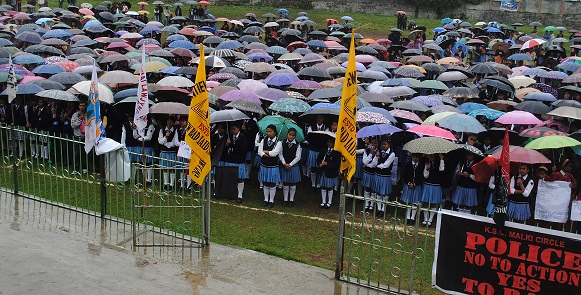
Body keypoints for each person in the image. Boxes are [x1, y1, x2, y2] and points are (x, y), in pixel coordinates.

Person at [221, 123, 248, 203]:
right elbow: (224, 149)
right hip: (230, 160)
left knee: (240, 179)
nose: (233, 131)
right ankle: (231, 194)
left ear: (238, 129)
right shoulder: (228, 137)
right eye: (231, 129)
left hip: (239, 161)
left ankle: (240, 195)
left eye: (234, 129)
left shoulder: (243, 138)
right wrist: (227, 144)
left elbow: (243, 150)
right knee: (230, 179)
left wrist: (232, 149)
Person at [257, 125, 282, 208]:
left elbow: (274, 153)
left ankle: (271, 200)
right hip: (264, 164)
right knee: (265, 182)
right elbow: (259, 152)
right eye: (267, 131)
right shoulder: (264, 140)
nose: (268, 133)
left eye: (270, 131)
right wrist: (267, 154)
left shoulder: (278, 142)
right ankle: (266, 199)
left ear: (274, 132)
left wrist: (266, 152)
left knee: (272, 183)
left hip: (273, 165)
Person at [373, 138, 395, 217]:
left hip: (385, 176)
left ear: (389, 145)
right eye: (382, 144)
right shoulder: (379, 152)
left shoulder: (392, 154)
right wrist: (376, 156)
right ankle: (379, 208)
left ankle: (383, 209)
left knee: (385, 193)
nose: (383, 146)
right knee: (378, 192)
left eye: (385, 144)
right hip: (378, 175)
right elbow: (373, 163)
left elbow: (386, 165)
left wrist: (378, 166)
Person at [279, 128, 301, 207]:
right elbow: (280, 154)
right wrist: (284, 163)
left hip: (293, 166)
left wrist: (290, 164)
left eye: (293, 135)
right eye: (290, 135)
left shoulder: (298, 145)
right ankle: (285, 199)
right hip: (285, 165)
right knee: (285, 182)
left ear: (295, 136)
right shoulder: (282, 142)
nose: (291, 137)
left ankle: (291, 200)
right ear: (287, 134)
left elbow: (298, 157)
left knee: (292, 183)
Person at [421, 154, 445, 226]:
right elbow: (425, 175)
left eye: (432, 156)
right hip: (427, 184)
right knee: (425, 202)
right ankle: (425, 219)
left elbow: (442, 169)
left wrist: (441, 159)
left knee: (434, 203)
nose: (431, 158)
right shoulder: (426, 163)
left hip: (436, 185)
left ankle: (430, 220)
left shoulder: (439, 163)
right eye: (430, 156)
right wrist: (427, 169)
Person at [317, 137, 340, 209]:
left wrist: (327, 164)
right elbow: (318, 158)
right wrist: (320, 163)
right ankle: (323, 201)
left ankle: (329, 202)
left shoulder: (336, 152)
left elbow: (336, 164)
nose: (329, 144)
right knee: (323, 186)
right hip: (323, 171)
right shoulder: (324, 150)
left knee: (330, 187)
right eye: (328, 142)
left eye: (330, 142)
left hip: (330, 172)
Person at [158, 116, 179, 191]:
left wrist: (169, 145)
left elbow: (175, 141)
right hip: (164, 151)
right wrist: (166, 137)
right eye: (168, 121)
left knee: (171, 168)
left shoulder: (175, 131)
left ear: (173, 123)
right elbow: (160, 141)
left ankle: (171, 184)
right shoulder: (162, 130)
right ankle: (165, 183)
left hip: (172, 151)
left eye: (171, 121)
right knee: (165, 168)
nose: (169, 123)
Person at [401, 153, 423, 225]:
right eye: (414, 157)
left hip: (416, 186)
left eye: (417, 157)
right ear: (412, 157)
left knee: (415, 203)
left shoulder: (421, 166)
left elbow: (421, 177)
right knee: (408, 202)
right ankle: (407, 217)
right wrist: (408, 183)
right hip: (408, 185)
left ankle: (412, 218)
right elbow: (404, 175)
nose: (415, 158)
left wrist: (415, 184)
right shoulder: (408, 164)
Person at [362, 137, 378, 212]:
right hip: (367, 172)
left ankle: (371, 205)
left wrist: (369, 164)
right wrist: (371, 154)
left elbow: (375, 164)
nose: (373, 144)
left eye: (375, 143)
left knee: (373, 189)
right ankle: (366, 203)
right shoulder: (366, 150)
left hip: (374, 173)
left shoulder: (378, 152)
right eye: (372, 143)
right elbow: (364, 162)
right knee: (367, 188)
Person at [70, 101, 87, 174]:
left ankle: (84, 167)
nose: (82, 107)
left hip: (85, 136)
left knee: (84, 153)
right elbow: (73, 125)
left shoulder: (88, 114)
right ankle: (75, 169)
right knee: (76, 153)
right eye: (80, 106)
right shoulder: (75, 115)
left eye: (83, 106)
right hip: (77, 135)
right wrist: (80, 119)